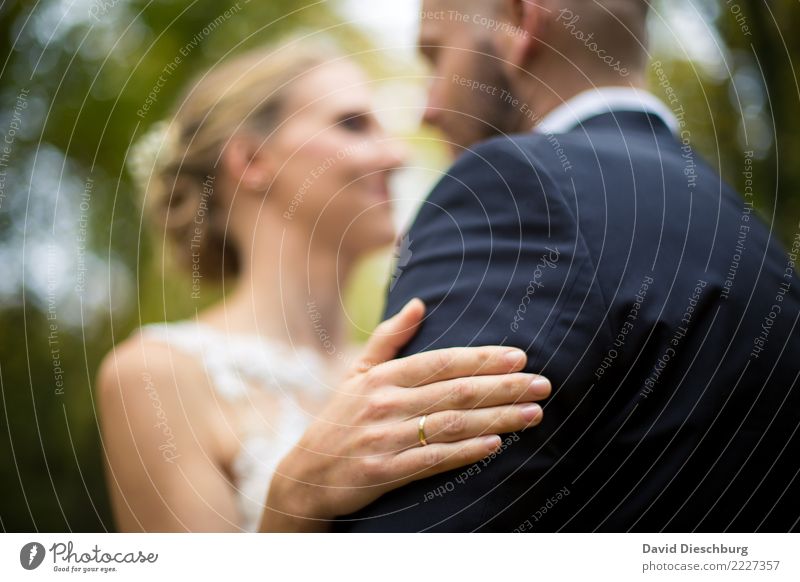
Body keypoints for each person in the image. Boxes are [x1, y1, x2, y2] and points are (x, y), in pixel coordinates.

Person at [334, 0, 800, 531]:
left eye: (436, 53)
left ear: (517, 24)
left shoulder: (511, 191)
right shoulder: (755, 240)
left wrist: (293, 505)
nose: (427, 108)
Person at [96, 40, 554, 532]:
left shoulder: (408, 361)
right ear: (251, 160)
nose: (397, 154)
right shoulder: (153, 376)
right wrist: (294, 499)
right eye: (353, 124)